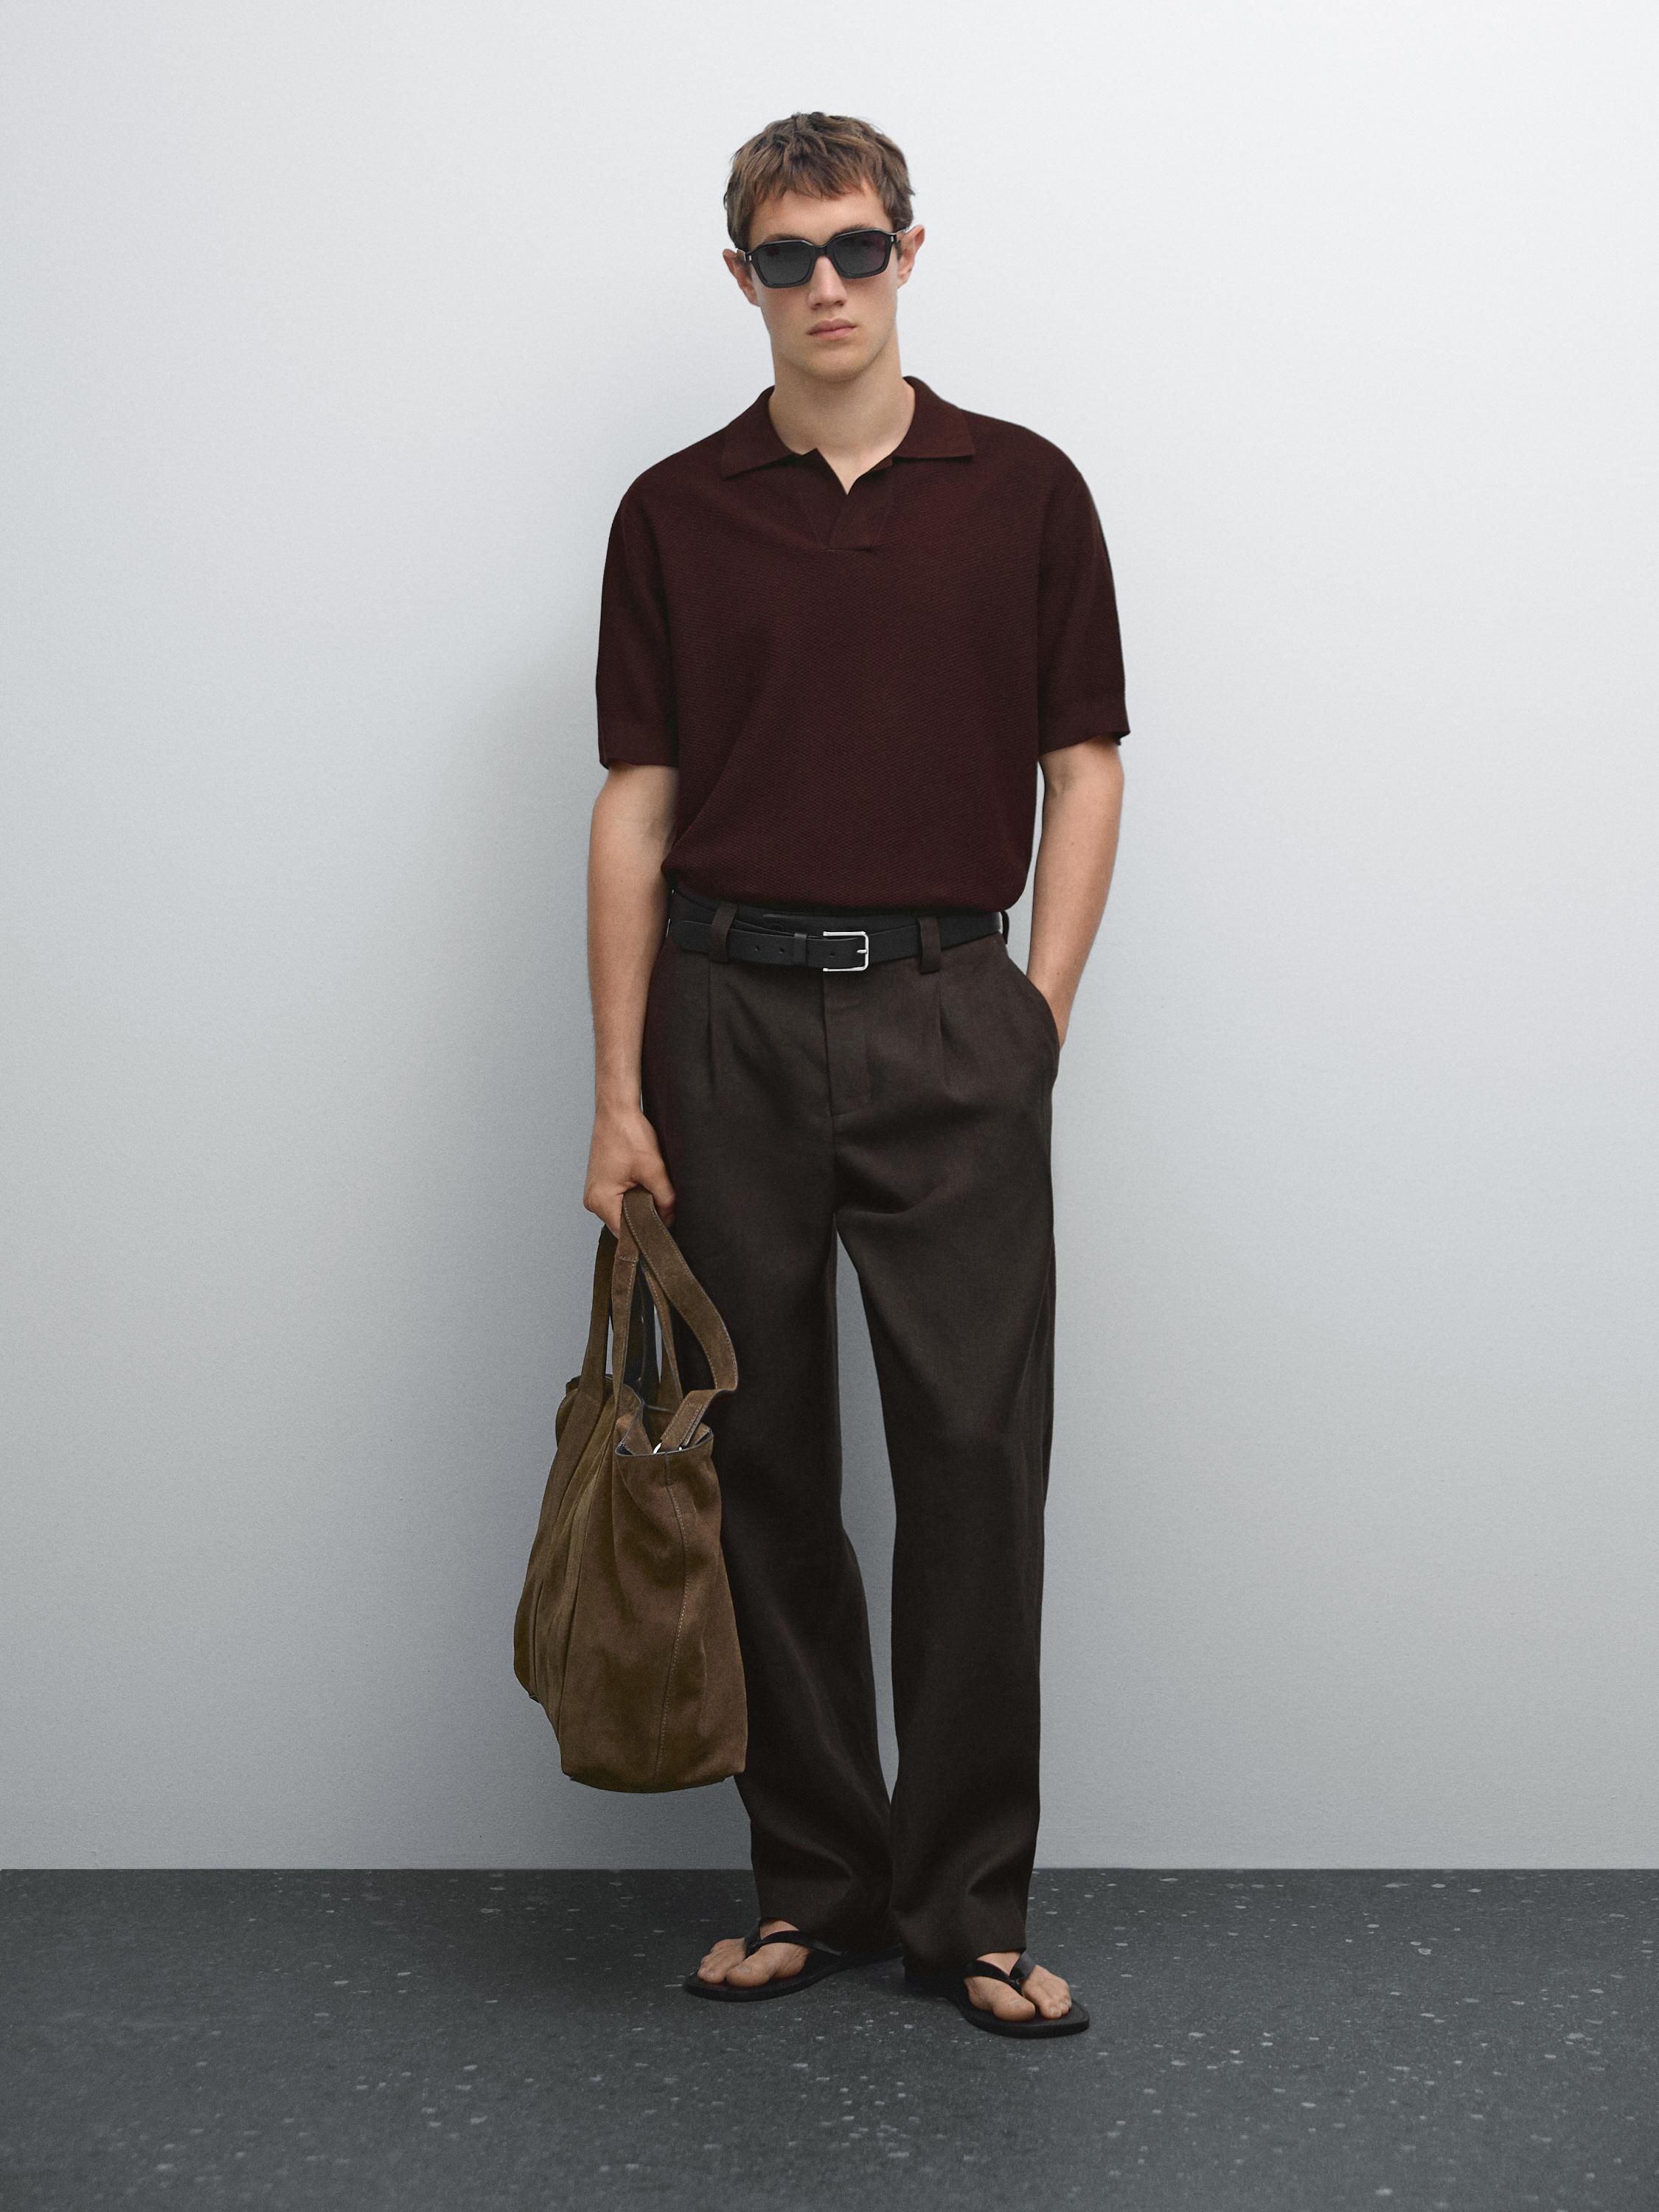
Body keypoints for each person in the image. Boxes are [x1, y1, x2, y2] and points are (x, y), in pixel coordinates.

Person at [582, 111, 1127, 2039]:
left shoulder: (1025, 491)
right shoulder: (672, 513)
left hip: (947, 1012)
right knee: (757, 1462)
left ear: (909, 250)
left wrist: (1034, 1014)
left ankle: (967, 1908)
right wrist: (618, 1091)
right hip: (722, 1020)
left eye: (858, 247)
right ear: (739, 275)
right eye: (789, 256)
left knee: (974, 1461)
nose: (828, 286)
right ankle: (813, 1884)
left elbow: (1085, 765)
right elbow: (636, 806)